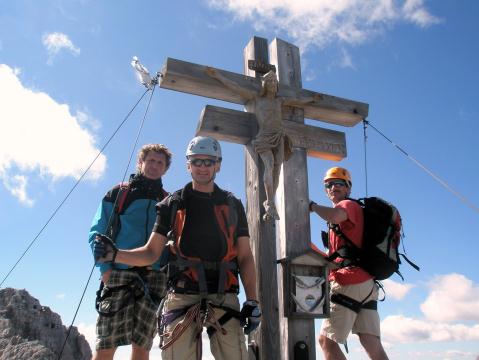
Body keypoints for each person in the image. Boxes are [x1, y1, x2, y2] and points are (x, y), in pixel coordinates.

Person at [94, 136, 260, 360]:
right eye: (196, 161)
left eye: (208, 161)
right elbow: (152, 252)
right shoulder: (171, 204)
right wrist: (114, 255)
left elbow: (245, 256)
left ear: (218, 164)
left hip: (224, 293)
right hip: (182, 292)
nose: (202, 167)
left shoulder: (233, 204)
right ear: (188, 164)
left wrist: (253, 300)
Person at [88, 143, 172, 360]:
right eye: (150, 160)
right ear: (140, 162)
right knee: (106, 345)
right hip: (119, 273)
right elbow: (97, 233)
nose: (154, 165)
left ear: (165, 168)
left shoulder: (169, 201)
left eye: (160, 162)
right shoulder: (118, 193)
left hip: (154, 277)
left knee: (142, 347)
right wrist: (105, 269)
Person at [206, 67, 321, 221]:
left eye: (275, 81)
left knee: (277, 169)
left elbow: (298, 101)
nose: (273, 83)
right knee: (269, 164)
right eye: (270, 81)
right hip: (264, 137)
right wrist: (218, 76)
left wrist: (312, 99)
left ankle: (270, 201)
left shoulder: (280, 101)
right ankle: (270, 203)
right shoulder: (257, 99)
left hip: (279, 137)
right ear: (264, 84)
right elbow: (237, 88)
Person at [309, 167, 389, 360]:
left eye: (339, 183)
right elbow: (336, 258)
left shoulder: (347, 206)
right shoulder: (345, 220)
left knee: (326, 341)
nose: (333, 187)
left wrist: (311, 206)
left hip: (349, 282)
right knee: (371, 343)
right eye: (329, 184)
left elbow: (335, 216)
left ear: (348, 188)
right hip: (367, 284)